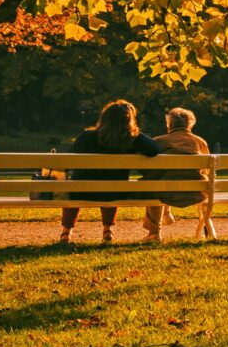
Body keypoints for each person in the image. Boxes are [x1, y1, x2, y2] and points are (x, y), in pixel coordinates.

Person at [60, 100, 160, 244]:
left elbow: (67, 160)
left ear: (104, 117)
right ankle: (108, 230)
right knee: (111, 185)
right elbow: (154, 149)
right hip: (115, 192)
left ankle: (66, 232)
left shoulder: (87, 137)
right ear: (129, 120)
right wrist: (135, 133)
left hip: (81, 191)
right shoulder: (132, 139)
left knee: (74, 186)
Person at [143, 107, 209, 240]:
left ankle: (154, 233)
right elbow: (206, 170)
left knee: (153, 185)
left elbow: (147, 169)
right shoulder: (200, 142)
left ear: (170, 124)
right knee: (164, 181)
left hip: (164, 192)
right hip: (196, 193)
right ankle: (167, 214)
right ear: (190, 124)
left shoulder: (159, 141)